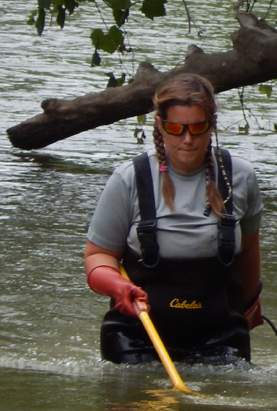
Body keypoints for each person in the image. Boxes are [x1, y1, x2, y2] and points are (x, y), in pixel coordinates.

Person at [84, 74, 264, 364]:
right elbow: (97, 256)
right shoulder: (128, 179)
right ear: (160, 125)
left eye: (197, 128)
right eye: (176, 129)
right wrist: (117, 286)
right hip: (136, 335)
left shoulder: (240, 176)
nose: (187, 139)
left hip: (221, 335)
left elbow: (250, 252)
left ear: (212, 124)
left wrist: (250, 306)